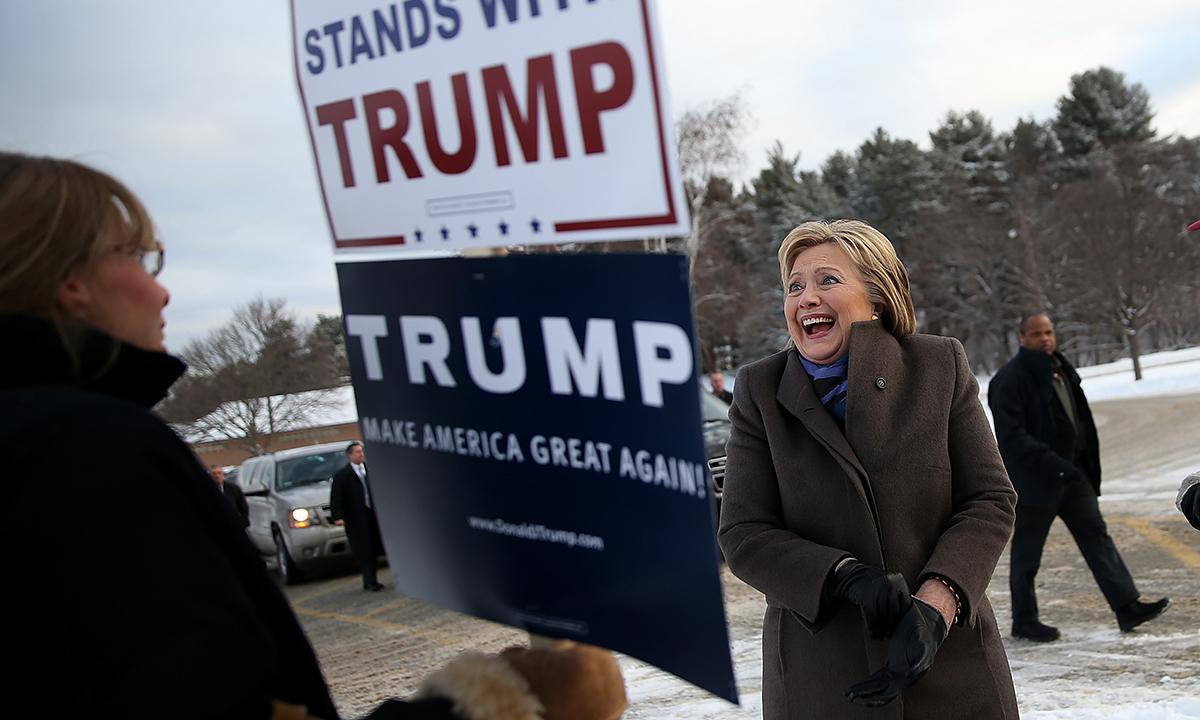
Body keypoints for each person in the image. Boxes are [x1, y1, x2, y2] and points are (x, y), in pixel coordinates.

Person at [718, 219, 1019, 718]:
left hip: (950, 670)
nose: (807, 298)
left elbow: (989, 499)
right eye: (794, 287)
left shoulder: (939, 365)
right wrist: (841, 575)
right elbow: (743, 533)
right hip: (823, 682)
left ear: (876, 297)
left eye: (827, 280)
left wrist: (938, 603)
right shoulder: (759, 391)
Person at [988, 313, 1170, 641]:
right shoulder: (1009, 379)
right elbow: (1011, 437)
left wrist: (1081, 466)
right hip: (1035, 483)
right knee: (1028, 554)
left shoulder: (1061, 369)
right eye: (1036, 333)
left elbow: (1079, 420)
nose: (1045, 338)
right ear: (1022, 338)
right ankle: (1024, 621)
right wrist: (1053, 464)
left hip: (1073, 478)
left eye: (1048, 332)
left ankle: (1127, 606)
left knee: (1097, 539)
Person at [330, 441, 386, 591]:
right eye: (357, 452)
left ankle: (374, 579)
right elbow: (336, 498)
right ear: (350, 455)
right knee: (364, 550)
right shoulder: (342, 476)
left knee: (376, 547)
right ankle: (370, 580)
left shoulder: (371, 470)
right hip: (356, 518)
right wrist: (338, 516)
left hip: (373, 516)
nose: (361, 454)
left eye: (362, 451)